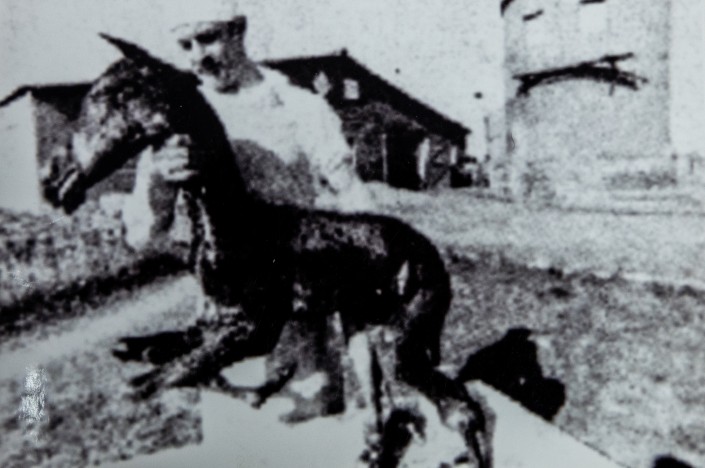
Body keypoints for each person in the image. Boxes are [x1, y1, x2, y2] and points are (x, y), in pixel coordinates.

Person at [121, 1, 375, 251]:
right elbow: (141, 239)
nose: (198, 56)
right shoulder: (176, 117)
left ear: (238, 30)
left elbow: (353, 195)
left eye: (208, 38)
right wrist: (160, 181)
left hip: (291, 266)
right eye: (186, 45)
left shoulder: (300, 106)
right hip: (213, 272)